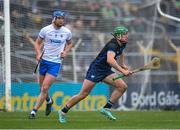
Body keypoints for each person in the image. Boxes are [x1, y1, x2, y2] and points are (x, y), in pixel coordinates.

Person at [58, 26, 132, 123]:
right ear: (118, 36)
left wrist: (123, 65)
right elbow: (110, 60)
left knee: (122, 86)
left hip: (106, 71)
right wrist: (123, 71)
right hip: (96, 70)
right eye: (124, 34)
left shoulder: (122, 43)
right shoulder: (112, 45)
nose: (127, 36)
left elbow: (121, 52)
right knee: (83, 94)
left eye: (127, 34)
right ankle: (63, 111)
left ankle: (106, 108)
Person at [29, 10, 73, 119]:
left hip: (55, 63)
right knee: (42, 89)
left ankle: (33, 112)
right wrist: (38, 53)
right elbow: (37, 43)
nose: (61, 20)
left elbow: (70, 43)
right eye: (59, 18)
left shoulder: (67, 32)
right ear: (54, 18)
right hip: (44, 61)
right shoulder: (45, 30)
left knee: (44, 88)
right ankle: (49, 101)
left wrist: (65, 52)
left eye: (63, 18)